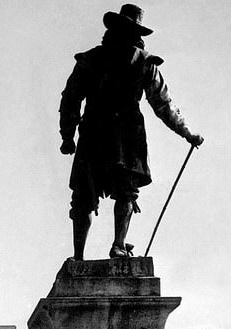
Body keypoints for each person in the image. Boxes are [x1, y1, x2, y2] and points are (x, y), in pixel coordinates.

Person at [59, 4, 203, 260]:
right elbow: (162, 104)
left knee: (105, 194)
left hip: (110, 134)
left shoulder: (103, 60)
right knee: (95, 195)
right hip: (115, 134)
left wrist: (68, 136)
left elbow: (70, 100)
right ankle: (91, 253)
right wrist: (67, 135)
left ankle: (105, 248)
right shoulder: (105, 61)